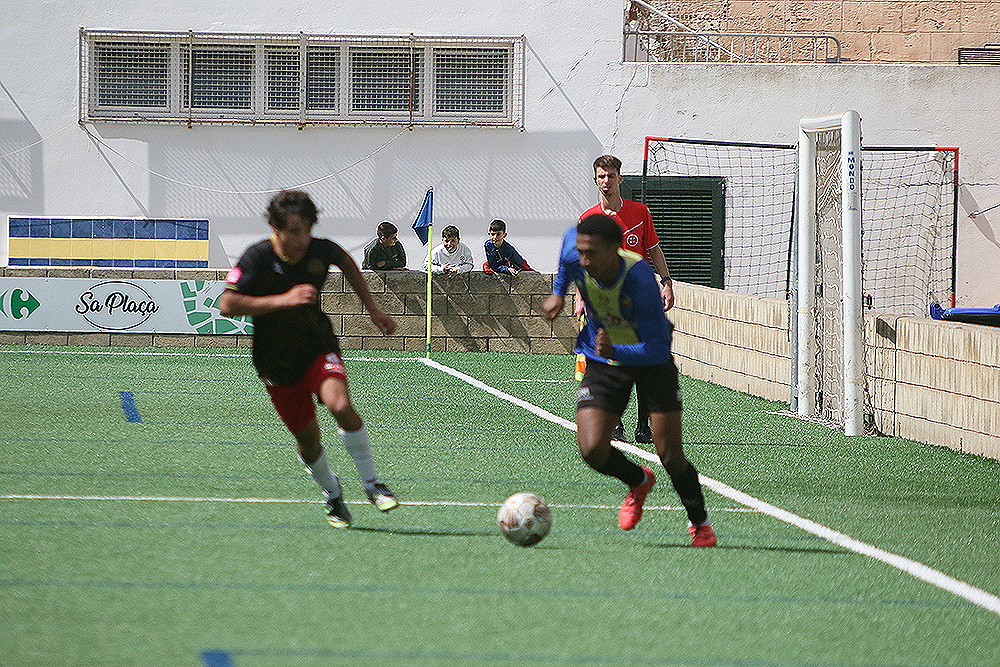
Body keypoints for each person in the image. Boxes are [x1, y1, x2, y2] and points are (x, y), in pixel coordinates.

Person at [219, 190, 399, 529]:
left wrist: (372, 308)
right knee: (308, 441)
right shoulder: (256, 258)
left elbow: (346, 262)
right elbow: (227, 305)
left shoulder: (320, 249)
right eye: (293, 231)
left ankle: (373, 484)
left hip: (318, 345)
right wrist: (283, 300)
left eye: (307, 230)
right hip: (276, 364)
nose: (302, 239)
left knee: (340, 404)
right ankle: (334, 495)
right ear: (274, 227)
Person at [542, 213, 715, 547]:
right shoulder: (575, 251)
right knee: (592, 449)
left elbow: (657, 349)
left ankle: (700, 524)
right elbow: (565, 264)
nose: (583, 259)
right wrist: (559, 294)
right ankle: (638, 480)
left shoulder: (639, 281)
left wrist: (617, 348)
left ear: (614, 250)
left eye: (591, 253)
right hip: (604, 357)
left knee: (670, 455)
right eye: (580, 251)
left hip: (649, 361)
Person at [578, 154, 676, 444]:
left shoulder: (640, 213)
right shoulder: (588, 218)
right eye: (601, 176)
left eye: (610, 175)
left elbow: (654, 250)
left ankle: (643, 425)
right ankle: (615, 423)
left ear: (620, 178)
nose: (606, 181)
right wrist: (580, 296)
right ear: (596, 181)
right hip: (606, 302)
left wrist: (666, 282)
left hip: (641, 300)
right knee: (609, 358)